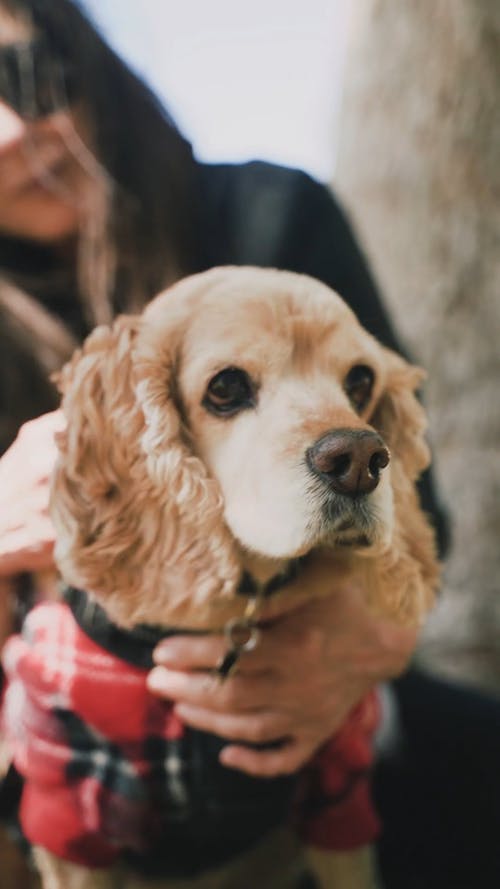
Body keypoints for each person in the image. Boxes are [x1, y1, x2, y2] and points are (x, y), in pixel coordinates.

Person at [0, 2, 495, 888]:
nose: (10, 131)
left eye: (24, 77)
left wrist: (364, 644)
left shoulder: (273, 213)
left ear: (87, 61)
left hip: (315, 698)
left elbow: (424, 520)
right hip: (70, 746)